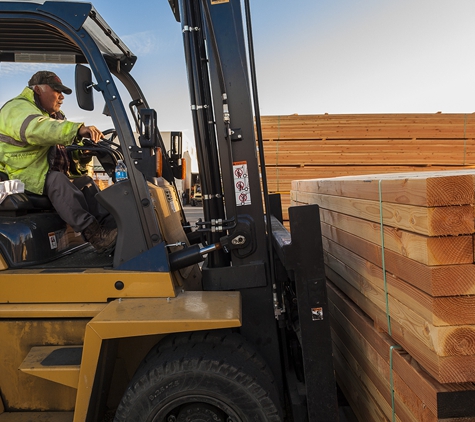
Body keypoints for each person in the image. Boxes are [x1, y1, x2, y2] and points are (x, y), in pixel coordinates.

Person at [0, 70, 117, 253]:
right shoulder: (17, 109)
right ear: (38, 90)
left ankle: (112, 229)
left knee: (85, 183)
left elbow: (61, 152)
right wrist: (77, 130)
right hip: (22, 175)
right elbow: (37, 129)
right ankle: (94, 235)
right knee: (58, 181)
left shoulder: (54, 116)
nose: (61, 97)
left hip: (43, 174)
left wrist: (82, 153)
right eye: (56, 91)